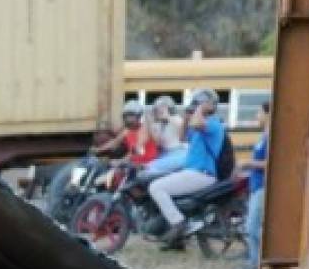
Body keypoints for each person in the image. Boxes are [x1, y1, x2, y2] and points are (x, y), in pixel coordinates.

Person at [148, 87, 225, 247]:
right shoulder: (199, 127)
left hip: (201, 174)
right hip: (192, 172)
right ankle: (176, 240)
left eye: (197, 103)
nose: (194, 106)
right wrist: (185, 116)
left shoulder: (213, 124)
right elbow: (182, 136)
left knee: (156, 188)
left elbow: (197, 122)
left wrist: (199, 109)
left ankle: (178, 223)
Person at [243, 99, 271, 269]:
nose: (257, 116)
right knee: (251, 227)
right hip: (256, 185)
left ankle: (256, 266)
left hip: (262, 186)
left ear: (268, 114)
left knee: (253, 228)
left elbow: (270, 163)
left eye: (259, 112)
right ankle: (254, 264)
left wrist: (248, 163)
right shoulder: (264, 136)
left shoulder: (271, 138)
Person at [96, 98, 159, 167]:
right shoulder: (128, 130)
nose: (128, 119)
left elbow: (136, 151)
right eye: (126, 116)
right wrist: (98, 150)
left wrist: (120, 161)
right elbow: (114, 142)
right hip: (134, 164)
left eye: (131, 116)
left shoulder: (144, 131)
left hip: (147, 165)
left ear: (139, 117)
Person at [144, 95, 188, 175]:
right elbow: (157, 142)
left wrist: (167, 116)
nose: (159, 111)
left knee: (150, 168)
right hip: (165, 154)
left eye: (162, 108)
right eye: (157, 109)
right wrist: (150, 124)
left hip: (179, 153)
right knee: (147, 168)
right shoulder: (158, 124)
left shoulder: (176, 119)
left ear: (170, 109)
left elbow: (181, 126)